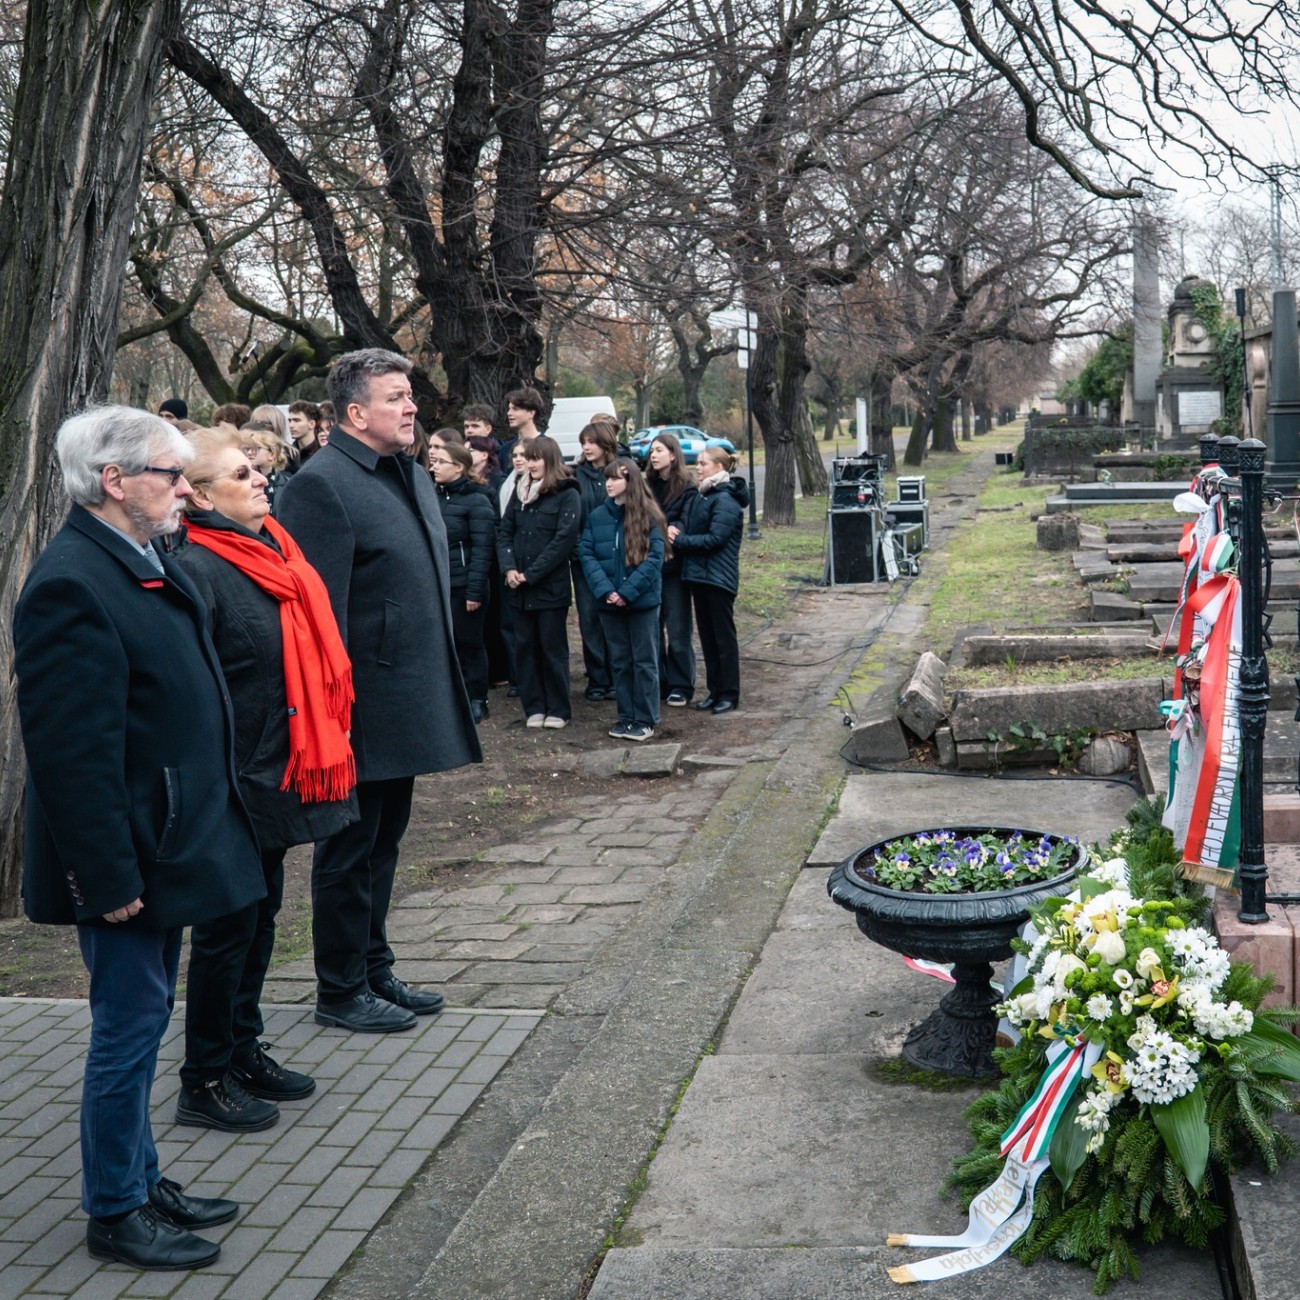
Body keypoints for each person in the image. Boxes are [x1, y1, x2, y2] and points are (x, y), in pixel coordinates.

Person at [14, 406, 265, 1270]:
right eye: (171, 474)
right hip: (127, 855)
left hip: (169, 837)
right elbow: (71, 756)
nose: (185, 489)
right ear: (114, 481)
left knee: (148, 1016)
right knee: (127, 1029)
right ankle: (115, 1208)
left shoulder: (145, 556)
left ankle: (140, 1176)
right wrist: (104, 875)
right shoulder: (71, 583)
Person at [277, 349, 482, 1032]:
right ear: (355, 412)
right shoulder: (322, 484)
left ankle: (373, 966)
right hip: (356, 708)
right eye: (397, 397)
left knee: (384, 842)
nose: (412, 407)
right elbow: (316, 614)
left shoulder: (408, 473)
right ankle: (339, 990)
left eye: (411, 397)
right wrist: (329, 718)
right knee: (347, 848)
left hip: (405, 696)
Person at [173, 428, 358, 1131]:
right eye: (242, 473)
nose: (259, 479)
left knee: (261, 921)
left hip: (277, 771)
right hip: (233, 781)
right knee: (226, 931)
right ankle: (205, 1078)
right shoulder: (199, 565)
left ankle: (244, 1050)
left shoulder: (274, 548)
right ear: (199, 494)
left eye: (258, 469)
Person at [496, 434, 581, 728]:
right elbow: (504, 532)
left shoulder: (567, 494)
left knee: (551, 649)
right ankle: (534, 707)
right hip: (518, 589)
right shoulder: (521, 493)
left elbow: (562, 541)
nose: (529, 464)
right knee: (525, 648)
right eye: (527, 458)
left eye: (535, 458)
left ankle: (558, 708)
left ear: (549, 460)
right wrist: (509, 568)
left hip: (549, 589)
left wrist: (531, 574)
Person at [579, 459, 667, 742]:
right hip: (608, 602)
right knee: (620, 661)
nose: (609, 483)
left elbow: (654, 559)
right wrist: (607, 591)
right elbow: (587, 554)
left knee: (644, 661)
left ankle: (645, 718)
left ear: (630, 482)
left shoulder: (649, 515)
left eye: (615, 479)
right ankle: (625, 716)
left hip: (642, 603)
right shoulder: (597, 517)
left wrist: (627, 592)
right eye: (607, 478)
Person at [668, 445, 749, 715]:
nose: (698, 468)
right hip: (700, 576)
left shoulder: (725, 500)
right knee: (708, 639)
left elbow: (715, 540)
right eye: (698, 463)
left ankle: (729, 694)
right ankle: (715, 692)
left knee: (723, 639)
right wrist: (677, 528)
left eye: (703, 463)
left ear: (719, 468)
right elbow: (690, 525)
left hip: (718, 579)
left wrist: (680, 540)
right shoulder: (704, 496)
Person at [432, 442, 497, 723]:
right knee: (449, 646)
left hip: (466, 587)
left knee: (469, 643)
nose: (433, 466)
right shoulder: (433, 497)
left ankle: (477, 699)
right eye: (433, 461)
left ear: (458, 467)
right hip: (440, 585)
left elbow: (483, 552)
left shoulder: (477, 500)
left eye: (441, 462)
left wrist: (474, 591)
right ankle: (453, 698)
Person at [646, 433, 698, 707]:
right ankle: (660, 681)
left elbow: (685, 525)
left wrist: (669, 529)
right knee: (652, 628)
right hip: (650, 565)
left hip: (675, 567)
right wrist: (665, 529)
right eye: (651, 451)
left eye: (659, 450)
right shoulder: (647, 487)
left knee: (678, 629)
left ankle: (681, 684)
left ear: (673, 455)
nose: (653, 455)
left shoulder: (687, 487)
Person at [571, 422, 621, 702]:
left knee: (612, 616)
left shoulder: (619, 472)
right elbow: (573, 522)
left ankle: (617, 676)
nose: (587, 447)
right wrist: (581, 554)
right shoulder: (575, 476)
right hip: (583, 560)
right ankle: (597, 678)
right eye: (584, 442)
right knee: (589, 618)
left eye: (592, 441)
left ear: (606, 443)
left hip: (614, 559)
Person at [497, 386, 544, 471]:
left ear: (531, 413)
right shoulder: (505, 449)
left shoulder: (547, 447)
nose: (509, 413)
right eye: (509, 409)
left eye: (515, 409)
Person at [287, 400, 322, 470]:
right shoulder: (286, 454)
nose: (291, 425)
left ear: (312, 424)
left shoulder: (323, 453)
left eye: (296, 420)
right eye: (290, 421)